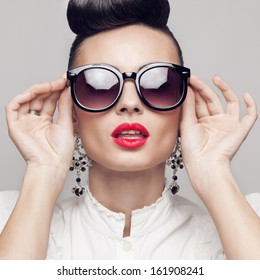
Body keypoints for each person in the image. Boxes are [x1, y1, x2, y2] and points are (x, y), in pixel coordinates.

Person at [0, 0, 259, 260]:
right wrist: (42, 173)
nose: (130, 103)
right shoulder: (10, 218)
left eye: (159, 84)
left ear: (183, 108)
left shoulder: (246, 223)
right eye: (98, 84)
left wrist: (214, 172)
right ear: (72, 112)